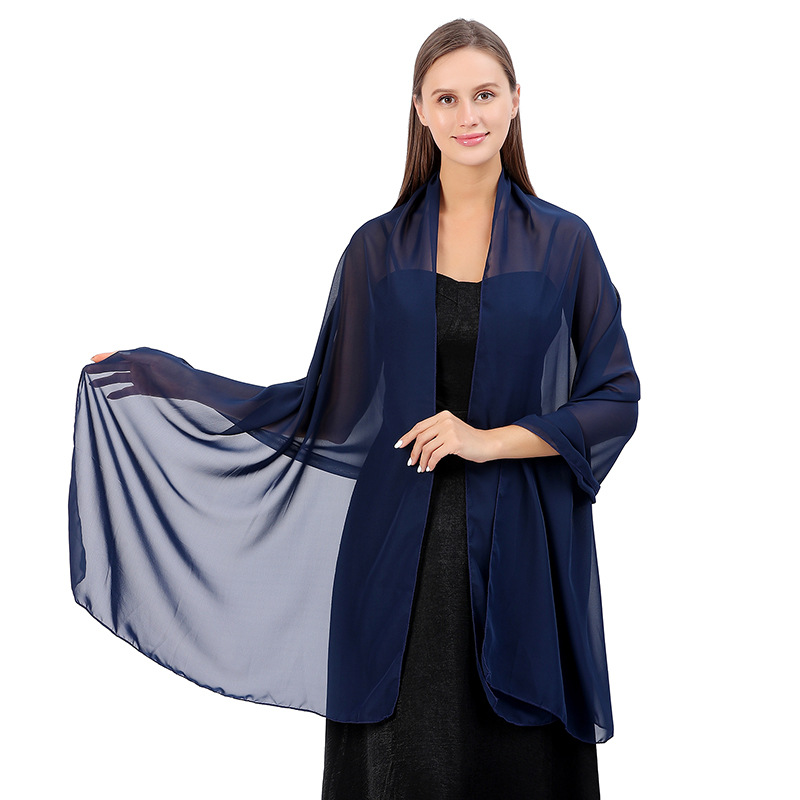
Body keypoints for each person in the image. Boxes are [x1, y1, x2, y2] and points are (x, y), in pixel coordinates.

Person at [74, 18, 639, 800]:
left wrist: (487, 441)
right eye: (447, 98)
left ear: (516, 101)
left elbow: (615, 398)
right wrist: (169, 379)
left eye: (484, 95)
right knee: (403, 768)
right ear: (420, 109)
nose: (468, 115)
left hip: (523, 561)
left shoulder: (565, 245)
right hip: (395, 560)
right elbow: (323, 406)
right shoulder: (377, 249)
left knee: (516, 769)